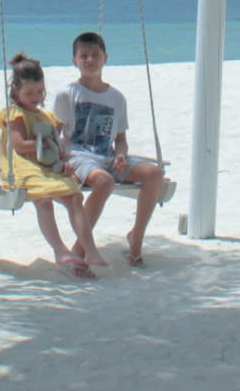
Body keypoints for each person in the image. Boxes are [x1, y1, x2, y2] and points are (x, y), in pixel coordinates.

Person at [55, 31, 167, 267]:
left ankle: (136, 237)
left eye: (95, 55)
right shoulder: (66, 94)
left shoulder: (116, 97)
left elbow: (121, 139)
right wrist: (57, 164)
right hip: (78, 156)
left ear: (106, 58)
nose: (90, 60)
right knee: (104, 181)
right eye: (83, 56)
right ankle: (80, 248)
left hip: (107, 156)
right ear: (75, 61)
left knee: (155, 174)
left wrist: (121, 155)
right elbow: (54, 134)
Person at [0, 53, 103, 277]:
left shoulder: (47, 117)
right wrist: (40, 143)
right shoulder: (15, 114)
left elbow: (57, 147)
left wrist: (63, 162)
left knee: (74, 196)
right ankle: (59, 249)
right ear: (16, 91)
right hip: (23, 166)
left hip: (47, 165)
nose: (35, 97)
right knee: (44, 201)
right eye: (29, 93)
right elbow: (18, 145)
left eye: (39, 91)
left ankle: (90, 249)